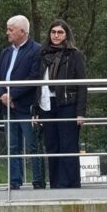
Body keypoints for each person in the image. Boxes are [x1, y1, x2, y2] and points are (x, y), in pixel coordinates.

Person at [36, 19, 88, 188]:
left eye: (60, 32)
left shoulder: (74, 55)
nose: (56, 35)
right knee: (51, 145)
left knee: (68, 145)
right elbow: (38, 84)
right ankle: (56, 184)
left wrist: (80, 112)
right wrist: (35, 110)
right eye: (53, 32)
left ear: (66, 35)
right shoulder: (42, 55)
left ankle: (71, 184)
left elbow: (82, 84)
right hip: (46, 104)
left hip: (67, 104)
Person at [0, 15, 41, 190]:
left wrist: (13, 95)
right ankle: (14, 181)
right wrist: (3, 96)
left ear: (23, 31)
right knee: (13, 145)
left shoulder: (36, 50)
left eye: (10, 29)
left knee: (32, 144)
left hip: (25, 106)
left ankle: (38, 181)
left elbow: (34, 77)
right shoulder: (6, 52)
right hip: (7, 107)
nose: (7, 33)